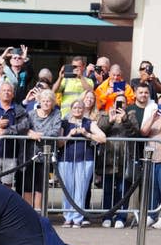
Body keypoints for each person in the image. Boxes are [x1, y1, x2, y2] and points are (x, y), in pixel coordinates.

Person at [98, 87, 150, 229]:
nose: (120, 105)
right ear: (113, 103)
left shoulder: (131, 115)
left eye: (123, 103)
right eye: (117, 102)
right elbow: (100, 130)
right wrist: (110, 120)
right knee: (108, 190)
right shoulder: (105, 115)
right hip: (109, 159)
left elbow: (135, 132)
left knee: (123, 190)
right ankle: (107, 216)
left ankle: (121, 217)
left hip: (125, 159)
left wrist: (125, 119)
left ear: (126, 105)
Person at [58, 99, 106, 228]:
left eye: (80, 108)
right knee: (67, 188)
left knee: (81, 189)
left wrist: (86, 134)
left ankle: (78, 217)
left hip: (85, 159)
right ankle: (68, 217)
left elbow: (102, 138)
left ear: (84, 109)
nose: (78, 110)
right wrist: (69, 135)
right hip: (66, 159)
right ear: (71, 109)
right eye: (75, 108)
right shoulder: (64, 123)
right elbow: (59, 142)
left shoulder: (88, 123)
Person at [18, 89, 62, 209]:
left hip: (45, 155)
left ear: (52, 102)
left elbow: (55, 132)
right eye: (43, 101)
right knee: (27, 185)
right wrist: (29, 132)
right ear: (39, 102)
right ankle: (28, 213)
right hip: (30, 154)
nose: (46, 103)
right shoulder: (31, 114)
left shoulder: (56, 113)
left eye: (48, 101)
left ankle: (38, 213)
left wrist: (37, 134)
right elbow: (24, 128)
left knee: (40, 186)